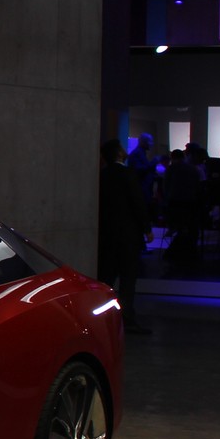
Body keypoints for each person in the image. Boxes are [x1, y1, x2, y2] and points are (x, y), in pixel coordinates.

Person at [99, 139, 152, 332]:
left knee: (107, 277)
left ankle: (102, 317)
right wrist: (146, 228)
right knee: (128, 278)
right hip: (128, 235)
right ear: (119, 153)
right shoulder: (128, 174)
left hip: (107, 234)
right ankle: (126, 317)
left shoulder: (103, 175)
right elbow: (137, 202)